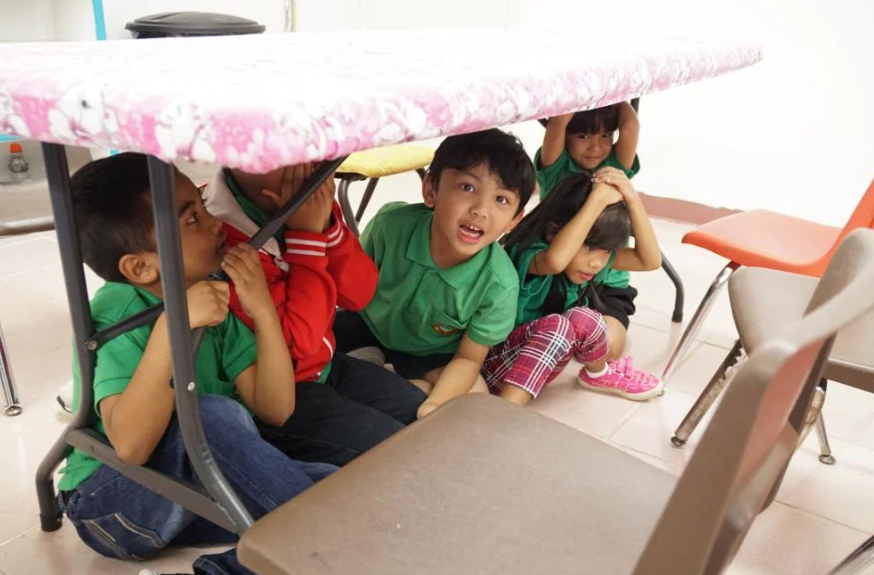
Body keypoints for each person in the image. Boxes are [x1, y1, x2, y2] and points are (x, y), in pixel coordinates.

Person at [57, 153, 335, 575]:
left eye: (203, 207)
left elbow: (276, 408)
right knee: (210, 418)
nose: (215, 224)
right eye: (192, 219)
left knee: (334, 488)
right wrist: (173, 326)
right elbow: (131, 447)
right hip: (111, 505)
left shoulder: (209, 293)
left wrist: (262, 310)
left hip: (190, 493)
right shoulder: (117, 312)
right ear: (140, 266)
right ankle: (335, 549)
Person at [202, 162, 426, 466]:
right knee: (396, 452)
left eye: (318, 153)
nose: (309, 164)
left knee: (418, 410)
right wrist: (306, 237)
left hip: (323, 365)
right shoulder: (216, 238)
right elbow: (298, 343)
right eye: (287, 154)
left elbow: (359, 295)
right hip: (277, 391)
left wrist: (327, 228)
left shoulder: (307, 198)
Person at [334, 129, 536, 419]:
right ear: (431, 190)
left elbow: (468, 360)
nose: (481, 210)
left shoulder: (500, 284)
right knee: (313, 354)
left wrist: (433, 405)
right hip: (366, 326)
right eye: (467, 187)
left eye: (501, 199)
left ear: (514, 220)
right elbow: (349, 289)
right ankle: (373, 371)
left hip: (429, 356)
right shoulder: (390, 226)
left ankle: (384, 379)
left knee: (475, 396)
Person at [483, 170, 663, 405]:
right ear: (553, 232)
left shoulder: (589, 261)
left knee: (586, 318)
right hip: (489, 363)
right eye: (589, 246)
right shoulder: (530, 254)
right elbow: (556, 261)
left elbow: (650, 261)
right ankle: (502, 410)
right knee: (559, 326)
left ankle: (598, 374)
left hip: (534, 367)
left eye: (606, 250)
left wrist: (633, 198)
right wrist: (597, 199)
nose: (597, 263)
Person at [535, 103, 643, 357]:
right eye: (583, 136)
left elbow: (630, 126)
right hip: (557, 278)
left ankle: (582, 333)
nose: (596, 148)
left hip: (606, 285)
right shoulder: (555, 168)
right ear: (567, 137)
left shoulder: (613, 168)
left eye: (606, 136)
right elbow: (558, 121)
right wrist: (585, 92)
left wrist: (613, 93)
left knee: (609, 348)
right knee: (547, 335)